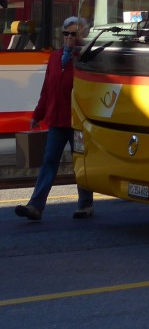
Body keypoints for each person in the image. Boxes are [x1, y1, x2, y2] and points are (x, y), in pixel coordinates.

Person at [15, 16, 94, 221]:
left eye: (73, 34)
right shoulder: (55, 57)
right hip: (57, 121)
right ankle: (36, 206)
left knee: (80, 164)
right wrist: (38, 115)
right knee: (49, 161)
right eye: (66, 33)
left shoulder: (85, 58)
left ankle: (85, 204)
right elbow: (46, 90)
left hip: (77, 122)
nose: (69, 37)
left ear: (81, 35)